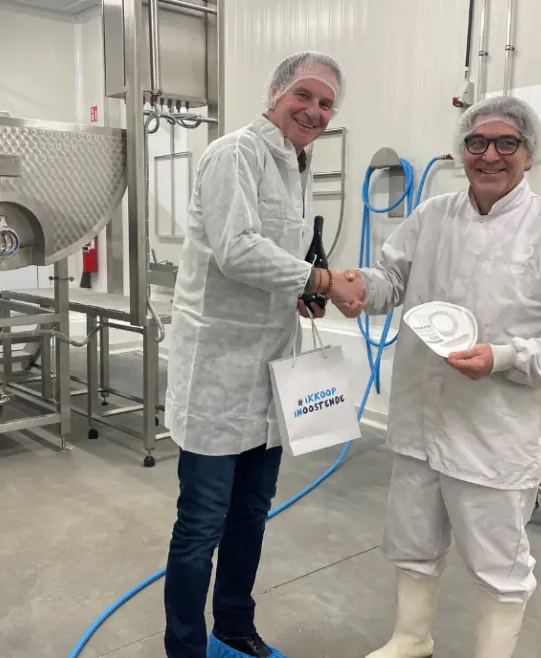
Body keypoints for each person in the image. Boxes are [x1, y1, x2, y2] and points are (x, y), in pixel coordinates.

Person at [333, 96, 541, 658]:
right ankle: (411, 638)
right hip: (420, 416)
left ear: (529, 154)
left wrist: (503, 358)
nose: (490, 155)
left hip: (494, 431)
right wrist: (358, 286)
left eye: (507, 143)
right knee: (412, 539)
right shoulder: (432, 216)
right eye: (477, 142)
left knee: (498, 560)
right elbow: (390, 279)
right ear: (462, 151)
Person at [162, 51, 362, 658]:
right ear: (276, 92)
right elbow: (238, 250)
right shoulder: (235, 154)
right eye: (304, 96)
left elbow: (278, 257)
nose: (315, 111)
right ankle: (185, 648)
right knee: (201, 524)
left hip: (270, 367)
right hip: (217, 372)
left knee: (251, 511)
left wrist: (299, 291)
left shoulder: (298, 165)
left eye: (326, 104)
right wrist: (321, 281)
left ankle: (233, 625)